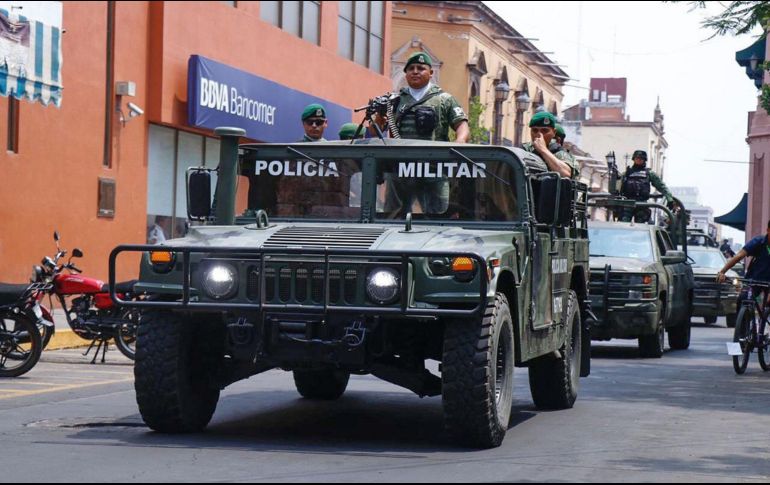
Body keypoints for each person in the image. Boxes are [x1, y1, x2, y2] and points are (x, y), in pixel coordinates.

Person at [373, 52, 470, 142]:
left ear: (431, 73)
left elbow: (461, 124)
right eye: (411, 68)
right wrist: (379, 115)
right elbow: (374, 132)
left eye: (420, 68)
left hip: (436, 157)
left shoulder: (444, 99)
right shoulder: (394, 100)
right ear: (406, 74)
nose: (415, 72)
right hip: (401, 156)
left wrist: (460, 141)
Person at [718, 220, 770, 304]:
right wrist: (722, 272)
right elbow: (739, 256)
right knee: (742, 299)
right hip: (755, 279)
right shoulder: (758, 242)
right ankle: (746, 315)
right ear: (768, 230)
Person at [521, 112, 580, 180]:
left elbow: (566, 173)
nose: (539, 135)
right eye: (535, 130)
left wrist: (543, 150)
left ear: (554, 132)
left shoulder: (560, 153)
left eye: (544, 131)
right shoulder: (524, 150)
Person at [619, 150, 674, 223]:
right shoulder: (626, 173)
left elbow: (661, 186)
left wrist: (669, 198)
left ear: (644, 160)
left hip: (642, 204)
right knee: (623, 224)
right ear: (634, 159)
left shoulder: (649, 173)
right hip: (628, 203)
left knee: (641, 227)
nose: (638, 160)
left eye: (641, 158)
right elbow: (618, 186)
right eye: (637, 158)